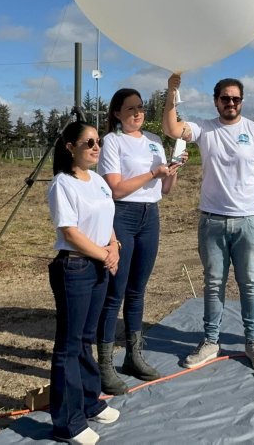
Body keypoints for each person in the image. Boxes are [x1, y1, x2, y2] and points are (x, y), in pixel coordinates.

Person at [162, 73, 254, 373]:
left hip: (248, 221)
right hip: (212, 221)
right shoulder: (204, 129)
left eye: (236, 98)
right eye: (225, 98)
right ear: (216, 101)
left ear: (242, 101)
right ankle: (211, 341)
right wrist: (171, 92)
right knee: (214, 284)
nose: (231, 103)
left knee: (249, 283)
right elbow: (171, 128)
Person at [95, 88, 182, 395]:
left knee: (137, 289)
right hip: (122, 216)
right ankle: (104, 364)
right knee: (114, 291)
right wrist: (151, 173)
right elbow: (115, 189)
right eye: (130, 109)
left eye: (141, 108)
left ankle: (134, 355)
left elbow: (166, 188)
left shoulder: (155, 141)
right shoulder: (112, 142)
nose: (137, 113)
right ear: (117, 113)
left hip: (150, 215)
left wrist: (172, 170)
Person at [47, 121, 122, 445]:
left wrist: (114, 247)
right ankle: (68, 422)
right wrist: (105, 255)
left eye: (98, 142)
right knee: (69, 344)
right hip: (75, 269)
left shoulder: (100, 181)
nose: (95, 148)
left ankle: (90, 402)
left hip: (99, 268)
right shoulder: (63, 184)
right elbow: (70, 232)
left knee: (87, 338)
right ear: (70, 147)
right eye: (88, 142)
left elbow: (107, 220)